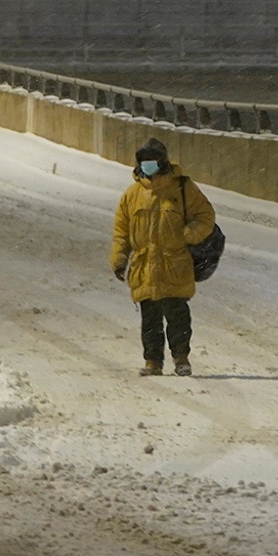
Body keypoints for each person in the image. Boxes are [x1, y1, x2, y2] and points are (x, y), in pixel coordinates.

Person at [109, 137, 215, 377]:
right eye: (144, 162)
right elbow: (121, 231)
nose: (148, 166)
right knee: (150, 319)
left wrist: (189, 234)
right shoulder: (132, 195)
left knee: (177, 316)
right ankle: (152, 362)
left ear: (162, 162)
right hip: (144, 267)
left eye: (152, 161)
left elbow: (206, 216)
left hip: (174, 264)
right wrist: (119, 259)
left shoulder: (183, 189)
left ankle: (181, 358)